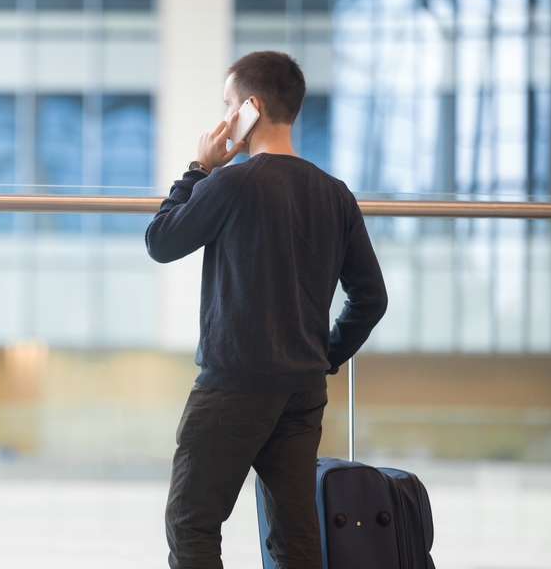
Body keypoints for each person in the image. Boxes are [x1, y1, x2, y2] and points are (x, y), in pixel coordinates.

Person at [145, 50, 388, 569]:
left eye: (229, 105)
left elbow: (161, 241)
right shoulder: (335, 195)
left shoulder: (230, 183)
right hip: (302, 390)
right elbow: (371, 299)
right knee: (295, 535)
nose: (226, 118)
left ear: (251, 107)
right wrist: (323, 356)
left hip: (233, 384)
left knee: (192, 522)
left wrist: (199, 167)